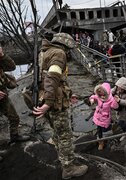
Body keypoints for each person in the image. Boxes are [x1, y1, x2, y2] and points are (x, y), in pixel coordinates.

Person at [32, 33, 88, 179]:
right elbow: (52, 78)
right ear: (65, 45)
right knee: (65, 135)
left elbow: (50, 79)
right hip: (54, 102)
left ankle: (63, 157)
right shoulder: (59, 53)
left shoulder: (44, 52)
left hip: (46, 96)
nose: (69, 52)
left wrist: (68, 95)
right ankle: (69, 168)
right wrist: (49, 103)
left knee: (57, 132)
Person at [0, 47, 30, 160]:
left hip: (2, 94)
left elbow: (11, 67)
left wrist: (2, 55)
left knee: (14, 117)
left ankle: (14, 136)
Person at [89, 82, 119, 150]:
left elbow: (115, 107)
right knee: (99, 129)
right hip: (98, 116)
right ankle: (100, 142)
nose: (101, 95)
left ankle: (108, 139)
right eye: (99, 93)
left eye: (102, 93)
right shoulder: (98, 96)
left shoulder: (111, 99)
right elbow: (93, 96)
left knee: (105, 130)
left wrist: (115, 100)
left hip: (105, 117)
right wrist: (92, 99)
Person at [112, 77, 126, 141]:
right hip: (118, 109)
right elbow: (110, 92)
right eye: (118, 87)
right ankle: (125, 132)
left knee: (123, 121)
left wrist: (119, 100)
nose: (119, 89)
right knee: (120, 121)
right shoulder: (116, 88)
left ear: (125, 88)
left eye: (121, 88)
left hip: (125, 110)